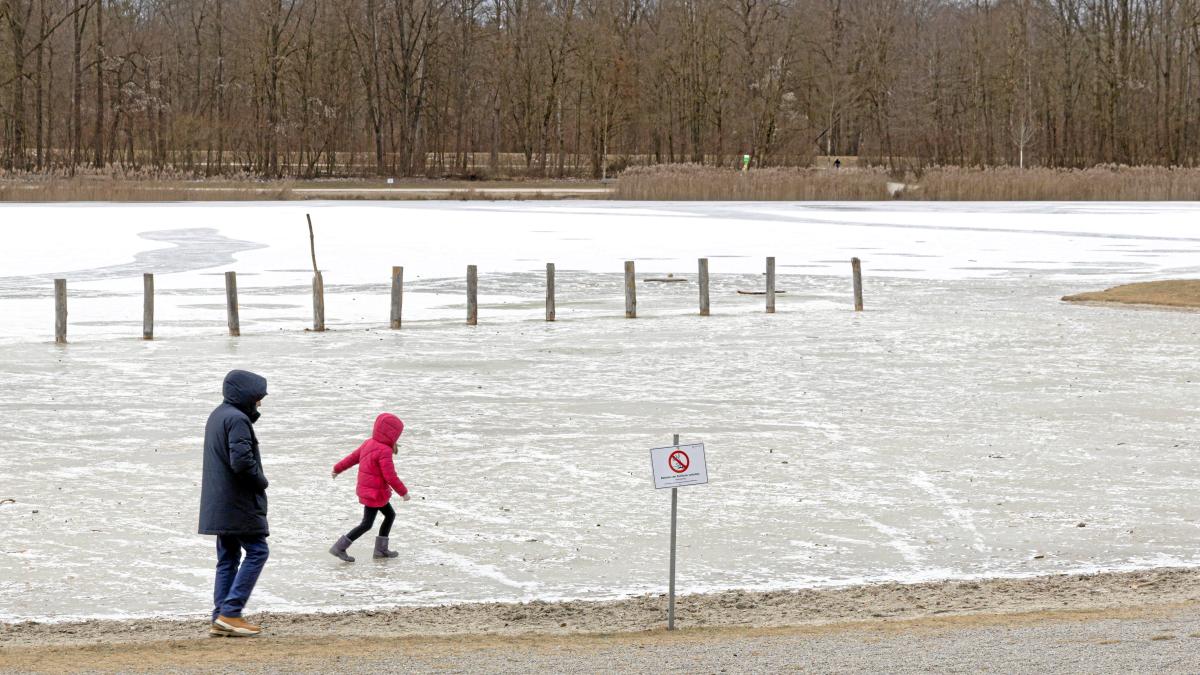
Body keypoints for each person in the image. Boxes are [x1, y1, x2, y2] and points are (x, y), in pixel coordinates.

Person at [199, 369, 270, 638]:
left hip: (219, 502)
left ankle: (220, 617)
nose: (260, 403)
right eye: (257, 397)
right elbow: (241, 462)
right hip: (236, 502)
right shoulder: (238, 419)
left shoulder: (218, 415)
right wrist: (262, 482)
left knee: (228, 557)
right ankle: (231, 611)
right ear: (245, 396)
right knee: (258, 551)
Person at [329, 413, 410, 562]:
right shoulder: (384, 451)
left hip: (369, 491)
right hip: (374, 494)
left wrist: (337, 469)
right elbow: (390, 476)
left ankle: (381, 550)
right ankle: (339, 547)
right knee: (366, 524)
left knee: (389, 515)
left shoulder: (369, 443)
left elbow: (352, 458)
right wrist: (403, 492)